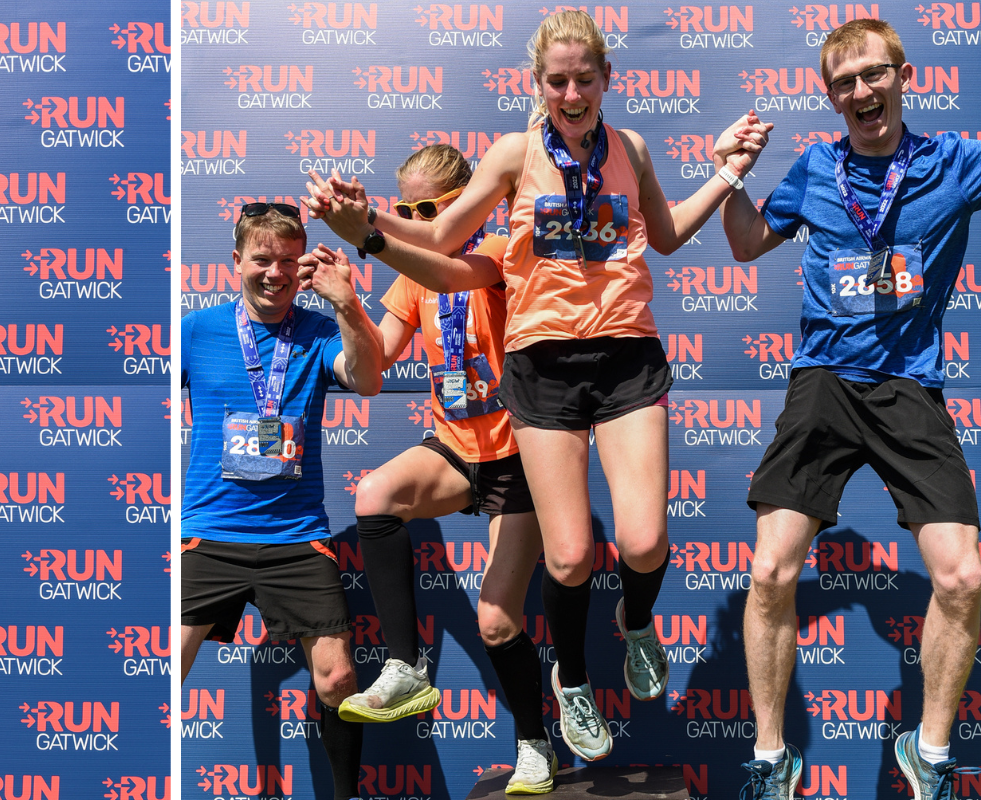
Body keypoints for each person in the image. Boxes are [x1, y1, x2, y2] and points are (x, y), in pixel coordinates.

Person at [305, 9, 769, 763]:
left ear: (607, 79)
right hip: (542, 367)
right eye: (558, 80)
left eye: (586, 77)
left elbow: (669, 233)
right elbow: (444, 236)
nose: (573, 91)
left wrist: (727, 174)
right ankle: (574, 680)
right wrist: (368, 230)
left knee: (645, 541)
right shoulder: (516, 154)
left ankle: (638, 623)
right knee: (568, 559)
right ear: (538, 84)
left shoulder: (635, 150)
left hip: (626, 355)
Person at [718, 19, 981, 800]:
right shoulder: (814, 168)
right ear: (829, 96)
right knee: (769, 570)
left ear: (906, 76)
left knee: (964, 578)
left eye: (874, 75)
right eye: (845, 82)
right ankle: (771, 760)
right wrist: (732, 177)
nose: (862, 92)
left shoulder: (955, 163)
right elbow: (747, 244)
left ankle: (928, 753)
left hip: (909, 386)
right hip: (824, 384)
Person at [304, 144, 555, 793]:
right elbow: (376, 362)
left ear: (464, 204)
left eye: (430, 209)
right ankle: (406, 666)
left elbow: (448, 275)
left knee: (497, 621)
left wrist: (371, 234)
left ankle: (535, 744)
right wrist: (346, 303)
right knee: (375, 493)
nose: (416, 218)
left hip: (518, 455)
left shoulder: (496, 253)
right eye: (407, 208)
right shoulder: (410, 274)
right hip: (454, 448)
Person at [180, 203, 384, 800]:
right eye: (262, 260)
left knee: (338, 677)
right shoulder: (196, 330)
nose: (275, 273)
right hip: (210, 531)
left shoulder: (322, 330)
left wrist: (347, 301)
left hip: (297, 537)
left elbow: (368, 380)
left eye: (289, 262)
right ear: (235, 262)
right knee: (166, 668)